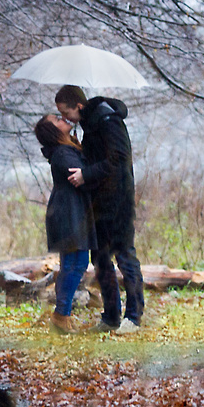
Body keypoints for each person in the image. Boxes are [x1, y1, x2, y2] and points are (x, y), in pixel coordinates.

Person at [55, 84, 142, 332]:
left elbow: (120, 159)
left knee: (125, 257)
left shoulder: (107, 120)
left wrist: (86, 174)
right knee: (101, 260)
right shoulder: (89, 124)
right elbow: (97, 157)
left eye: (65, 112)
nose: (64, 118)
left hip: (119, 200)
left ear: (78, 106)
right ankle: (111, 316)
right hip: (99, 202)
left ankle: (134, 316)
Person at [33, 113, 94, 333]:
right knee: (75, 264)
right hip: (69, 215)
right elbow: (81, 178)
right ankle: (61, 316)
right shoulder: (62, 153)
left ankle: (63, 315)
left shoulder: (65, 149)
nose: (63, 119)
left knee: (72, 265)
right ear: (54, 131)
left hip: (69, 212)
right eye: (57, 119)